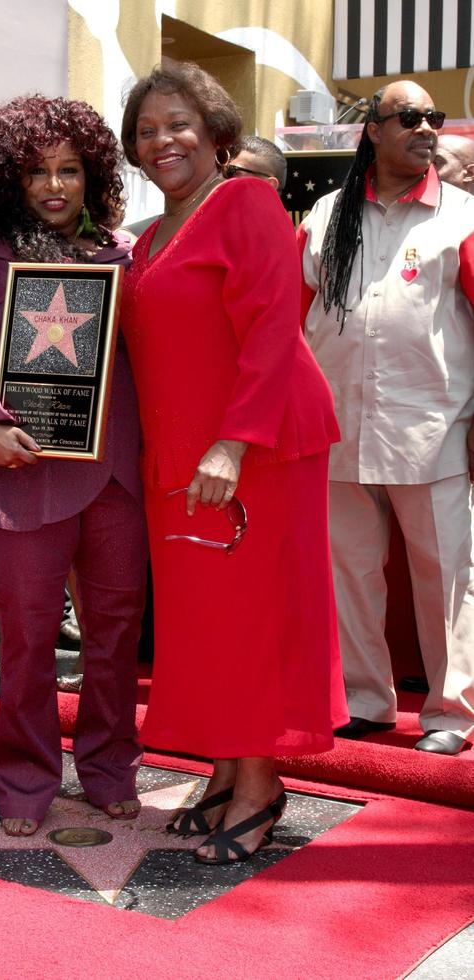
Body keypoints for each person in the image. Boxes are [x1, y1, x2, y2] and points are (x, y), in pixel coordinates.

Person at [119, 63, 348, 865]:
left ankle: (261, 785)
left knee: (250, 621)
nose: (162, 140)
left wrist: (232, 442)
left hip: (254, 449)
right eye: (147, 130)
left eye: (177, 123)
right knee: (204, 626)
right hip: (181, 457)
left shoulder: (247, 200)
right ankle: (225, 767)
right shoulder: (148, 235)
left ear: (216, 131)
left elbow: (270, 330)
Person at [0, 95, 148, 836]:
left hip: (116, 474)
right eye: (36, 173)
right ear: (7, 180)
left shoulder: (123, 252)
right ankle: (23, 774)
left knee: (117, 635)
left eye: (70, 170)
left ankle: (112, 765)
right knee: (25, 638)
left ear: (93, 177)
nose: (55, 187)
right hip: (24, 475)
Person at [298, 81, 474, 755]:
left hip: (431, 431)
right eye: (409, 117)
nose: (426, 127)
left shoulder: (461, 215)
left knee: (447, 577)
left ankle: (451, 715)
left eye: (433, 117)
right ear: (372, 130)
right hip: (337, 428)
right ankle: (366, 702)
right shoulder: (325, 214)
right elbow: (293, 316)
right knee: (348, 576)